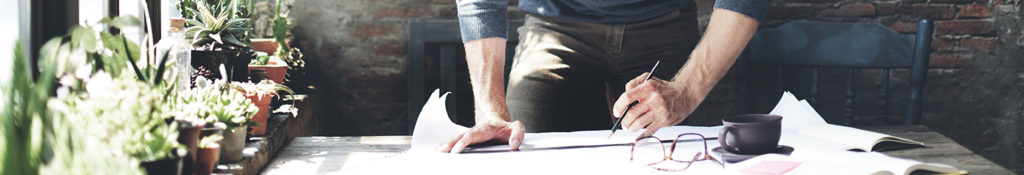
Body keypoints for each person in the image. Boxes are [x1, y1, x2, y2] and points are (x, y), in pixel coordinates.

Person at [437, 0, 772, 153]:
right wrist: (491, 113)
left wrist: (687, 91)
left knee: (684, 154)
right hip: (554, 25)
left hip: (664, 21)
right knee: (515, 151)